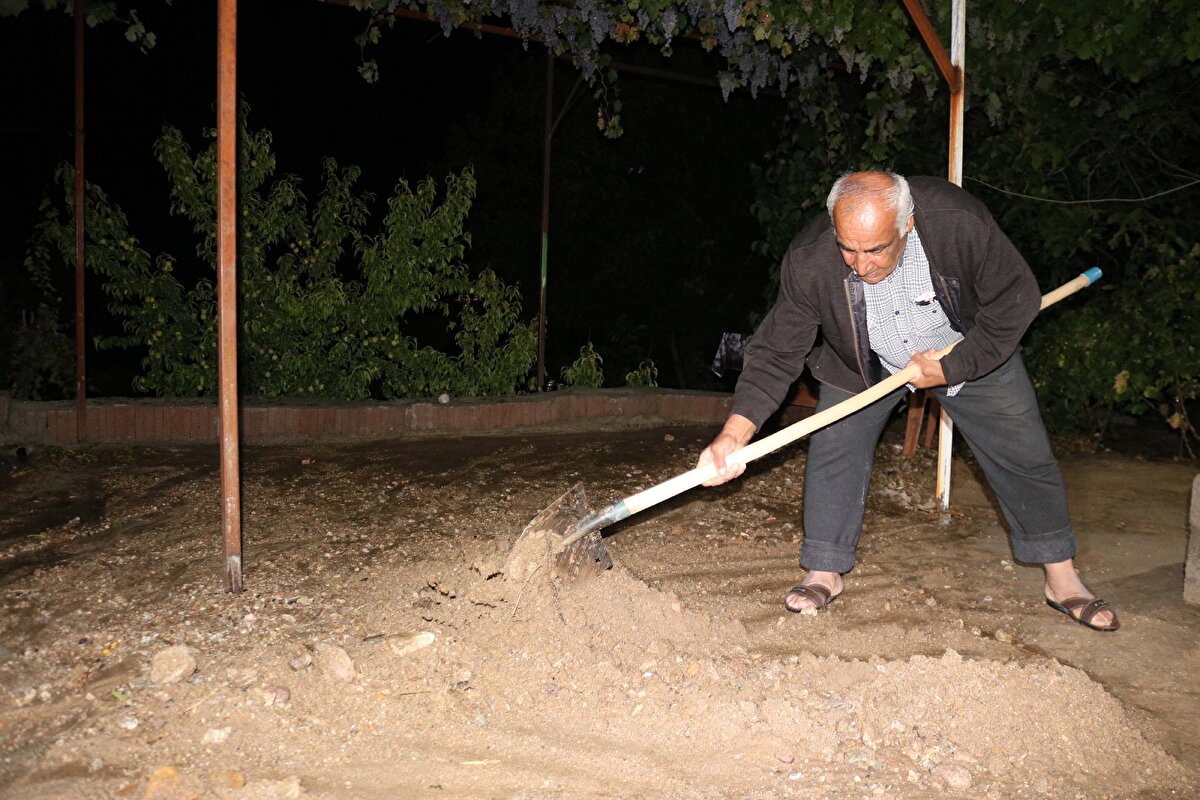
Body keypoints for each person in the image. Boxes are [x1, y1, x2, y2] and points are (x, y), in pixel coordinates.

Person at [697, 171, 1118, 632]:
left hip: (963, 348)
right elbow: (776, 350)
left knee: (1022, 449)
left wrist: (956, 366)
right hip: (862, 359)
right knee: (833, 444)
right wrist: (734, 435)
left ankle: (1061, 578)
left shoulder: (958, 223)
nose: (859, 265)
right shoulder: (810, 257)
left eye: (875, 250)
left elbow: (1014, 303)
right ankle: (824, 570)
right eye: (848, 248)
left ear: (907, 225)